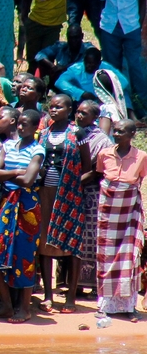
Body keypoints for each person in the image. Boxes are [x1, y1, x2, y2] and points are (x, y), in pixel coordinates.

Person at [0, 109, 45, 324]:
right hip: (6, 202)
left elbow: (29, 180)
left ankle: (24, 308)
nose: (21, 127)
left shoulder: (38, 150)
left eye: (26, 124)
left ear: (35, 126)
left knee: (25, 256)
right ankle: (7, 305)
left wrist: (9, 174)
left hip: (27, 205)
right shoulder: (8, 145)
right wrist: (17, 172)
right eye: (19, 123)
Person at [37, 94, 90, 314]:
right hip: (44, 194)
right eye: (52, 106)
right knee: (44, 242)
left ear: (70, 110)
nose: (54, 109)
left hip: (69, 196)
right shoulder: (44, 134)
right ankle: (48, 295)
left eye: (60, 107)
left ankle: (70, 297)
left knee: (72, 244)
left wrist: (74, 187)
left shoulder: (78, 133)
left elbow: (88, 168)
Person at [96, 119, 146, 322]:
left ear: (132, 134)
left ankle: (128, 306)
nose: (116, 134)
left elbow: (139, 182)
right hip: (107, 210)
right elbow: (101, 177)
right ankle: (105, 305)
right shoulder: (105, 153)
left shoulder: (141, 157)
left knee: (129, 255)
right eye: (115, 131)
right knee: (105, 253)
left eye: (121, 131)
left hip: (129, 210)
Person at [97, 0, 147, 116]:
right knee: (113, 67)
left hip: (131, 25)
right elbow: (102, 0)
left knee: (134, 66)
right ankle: (118, 107)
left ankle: (141, 105)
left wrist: (139, 22)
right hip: (110, 26)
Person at [74, 100, 111, 293]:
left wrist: (75, 182)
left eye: (84, 113)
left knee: (90, 237)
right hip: (72, 191)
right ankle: (73, 284)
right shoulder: (72, 133)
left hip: (91, 192)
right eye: (78, 112)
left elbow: (98, 170)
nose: (79, 116)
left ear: (95, 118)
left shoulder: (102, 140)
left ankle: (92, 285)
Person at [55, 47, 130, 103]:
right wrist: (80, 93)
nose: (89, 66)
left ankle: (132, 116)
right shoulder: (76, 68)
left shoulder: (106, 67)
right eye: (87, 63)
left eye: (92, 64)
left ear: (99, 63)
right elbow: (59, 82)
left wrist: (107, 95)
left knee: (123, 93)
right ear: (83, 60)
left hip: (105, 100)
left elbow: (124, 81)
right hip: (83, 101)